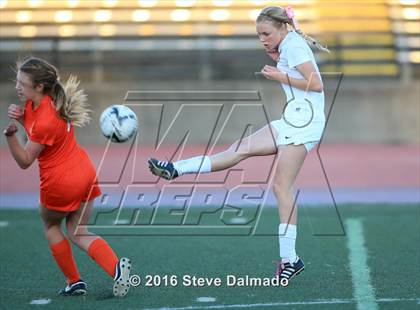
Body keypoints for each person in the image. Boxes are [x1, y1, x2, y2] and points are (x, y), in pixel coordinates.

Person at [148, 5, 329, 285]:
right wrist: (279, 59)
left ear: (282, 28)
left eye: (266, 33)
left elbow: (316, 84)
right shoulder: (288, 45)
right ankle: (175, 169)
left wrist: (279, 73)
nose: (262, 39)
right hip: (293, 117)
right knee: (238, 150)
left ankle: (291, 259)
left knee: (281, 185)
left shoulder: (293, 46)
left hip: (305, 123)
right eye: (259, 35)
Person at [4, 57, 131, 297]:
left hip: (60, 181)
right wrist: (22, 120)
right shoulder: (53, 102)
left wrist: (10, 135)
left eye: (22, 83)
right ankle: (116, 269)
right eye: (17, 82)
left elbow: (25, 161)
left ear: (39, 86)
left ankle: (74, 281)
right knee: (78, 230)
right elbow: (39, 130)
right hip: (85, 172)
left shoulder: (43, 118)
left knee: (51, 225)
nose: (17, 87)